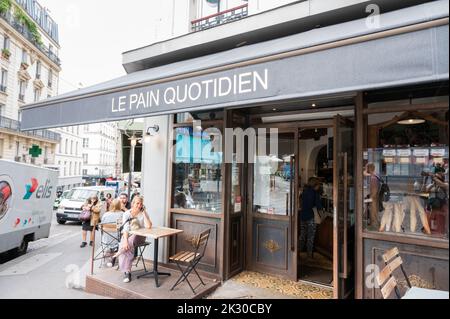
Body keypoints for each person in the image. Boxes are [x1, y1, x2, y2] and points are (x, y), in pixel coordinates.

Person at [114, 195, 152, 283]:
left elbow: (149, 226)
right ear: (133, 204)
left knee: (129, 241)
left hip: (140, 237)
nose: (139, 205)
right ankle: (127, 271)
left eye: (141, 204)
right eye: (137, 203)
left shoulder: (143, 214)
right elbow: (126, 229)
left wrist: (144, 212)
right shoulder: (127, 214)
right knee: (126, 244)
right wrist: (125, 241)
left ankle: (120, 251)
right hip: (129, 236)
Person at [299, 177, 323, 258]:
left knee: (302, 236)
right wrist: (322, 215)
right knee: (310, 237)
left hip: (303, 216)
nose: (319, 186)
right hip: (311, 217)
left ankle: (297, 253)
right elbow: (319, 207)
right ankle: (309, 255)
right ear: (315, 185)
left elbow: (301, 203)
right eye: (319, 184)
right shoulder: (315, 194)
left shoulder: (304, 192)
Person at [100, 199, 124, 267]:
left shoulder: (106, 214)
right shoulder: (122, 214)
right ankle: (116, 258)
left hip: (106, 239)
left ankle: (109, 259)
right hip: (117, 239)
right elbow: (120, 228)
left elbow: (102, 227)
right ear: (119, 205)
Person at [364, 163, 380, 230]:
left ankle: (375, 229)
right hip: (375, 200)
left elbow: (374, 192)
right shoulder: (376, 176)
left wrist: (367, 200)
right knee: (374, 215)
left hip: (373, 200)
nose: (366, 169)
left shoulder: (373, 178)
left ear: (369, 169)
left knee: (373, 216)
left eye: (366, 168)